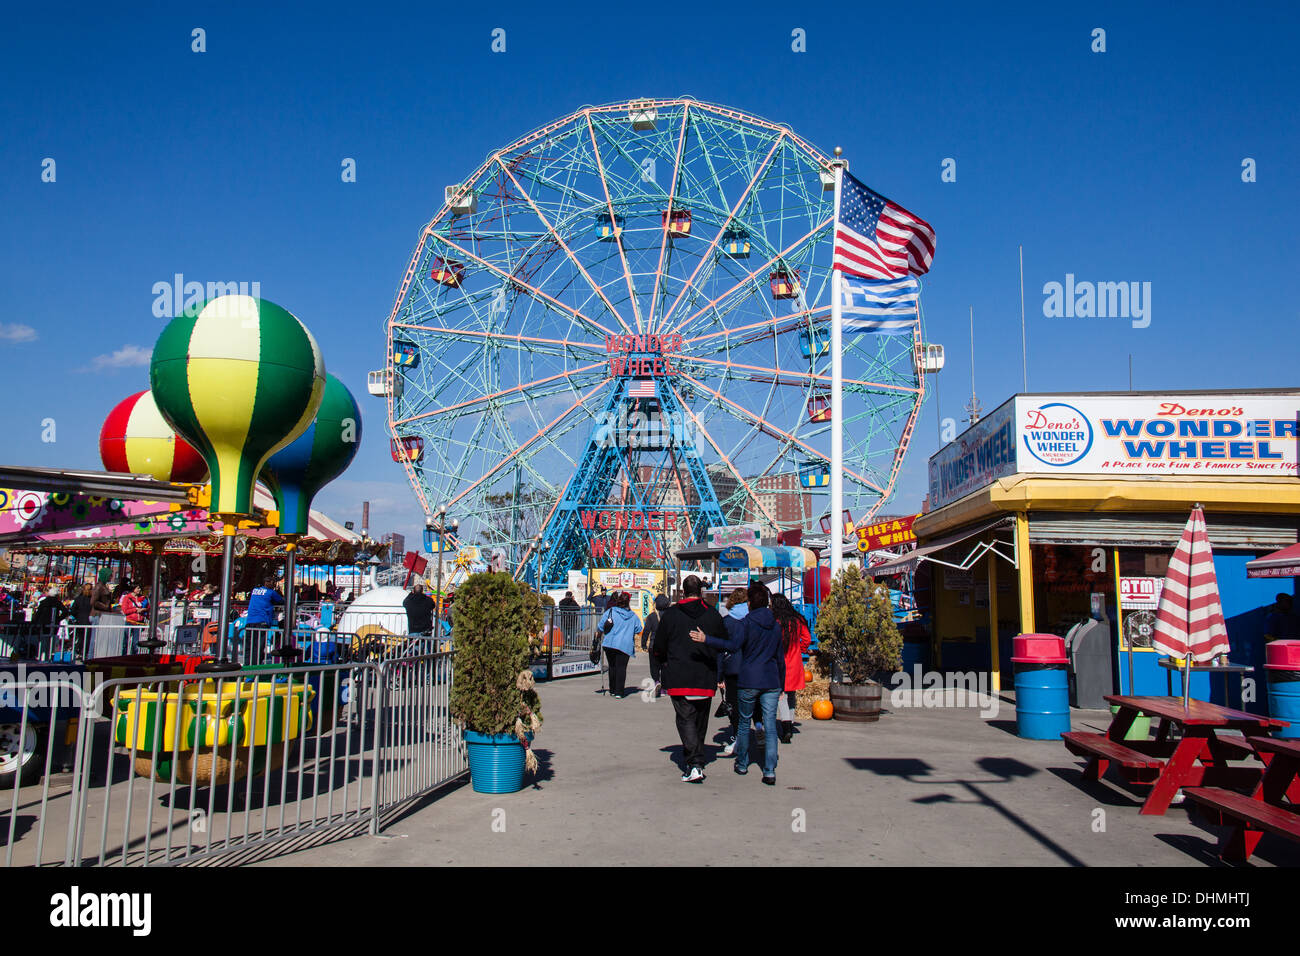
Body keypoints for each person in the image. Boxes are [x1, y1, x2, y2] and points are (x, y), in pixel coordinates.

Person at [694, 582, 783, 785]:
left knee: (743, 722)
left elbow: (732, 646)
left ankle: (742, 763)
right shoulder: (776, 626)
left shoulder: (746, 623)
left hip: (749, 678)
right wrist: (782, 685)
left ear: (750, 603)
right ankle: (769, 770)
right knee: (769, 726)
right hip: (770, 680)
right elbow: (780, 658)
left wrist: (707, 639)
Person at [654, 575, 725, 783]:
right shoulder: (713, 615)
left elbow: (659, 646)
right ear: (701, 591)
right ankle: (697, 758)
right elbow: (723, 643)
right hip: (705, 675)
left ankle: (694, 762)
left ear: (683, 591)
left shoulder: (671, 615)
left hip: (678, 675)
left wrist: (661, 662)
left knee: (685, 719)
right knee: (701, 720)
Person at [772, 594, 813, 744]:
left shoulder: (776, 621)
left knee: (780, 694)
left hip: (780, 661)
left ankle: (786, 725)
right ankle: (790, 720)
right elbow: (807, 638)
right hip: (795, 661)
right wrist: (801, 649)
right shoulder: (797, 619)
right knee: (791, 694)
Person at [717, 587, 749, 755]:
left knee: (733, 704)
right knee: (750, 704)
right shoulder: (752, 620)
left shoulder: (727, 622)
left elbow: (721, 650)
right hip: (751, 668)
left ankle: (737, 735)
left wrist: (719, 674)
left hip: (732, 668)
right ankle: (753, 731)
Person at [598, 591, 639, 699]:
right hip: (625, 644)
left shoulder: (610, 611)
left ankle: (612, 689)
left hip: (610, 643)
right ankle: (619, 691)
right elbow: (639, 628)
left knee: (612, 666)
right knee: (621, 668)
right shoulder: (633, 616)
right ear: (628, 602)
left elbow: (601, 625)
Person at [641, 594, 669, 697]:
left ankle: (657, 681)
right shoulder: (670, 616)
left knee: (654, 666)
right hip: (667, 647)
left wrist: (643, 644)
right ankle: (664, 689)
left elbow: (646, 631)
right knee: (665, 667)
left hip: (654, 646)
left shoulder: (652, 616)